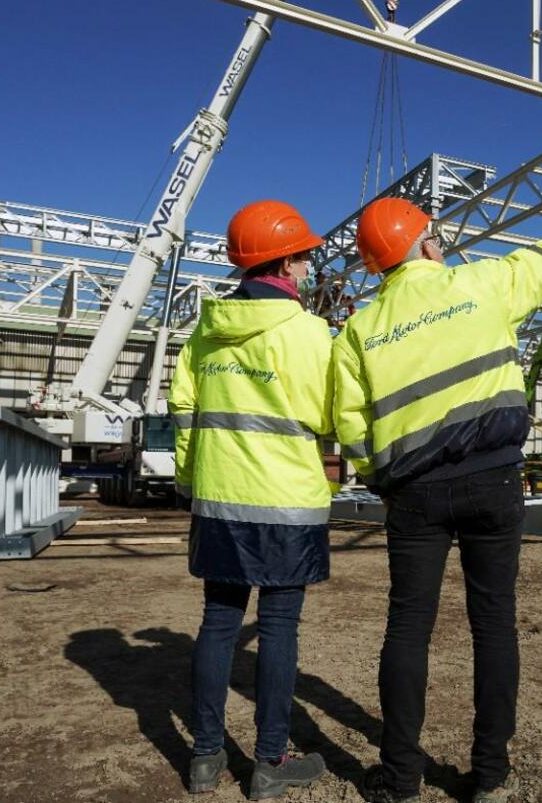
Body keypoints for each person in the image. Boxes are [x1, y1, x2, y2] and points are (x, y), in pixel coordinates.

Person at [333, 196, 542, 803]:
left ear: (377, 268)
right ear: (429, 244)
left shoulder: (357, 332)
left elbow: (351, 428)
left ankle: (401, 778)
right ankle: (489, 773)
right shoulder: (480, 284)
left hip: (414, 493)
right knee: (493, 624)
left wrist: (381, 478)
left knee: (408, 627)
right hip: (494, 480)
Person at [169, 199, 334, 800]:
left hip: (219, 502)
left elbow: (184, 416)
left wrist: (194, 481)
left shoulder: (203, 337)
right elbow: (329, 413)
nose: (311, 266)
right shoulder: (311, 335)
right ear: (285, 262)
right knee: (280, 626)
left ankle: (205, 760)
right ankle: (269, 763)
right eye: (307, 256)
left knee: (218, 622)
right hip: (286, 504)